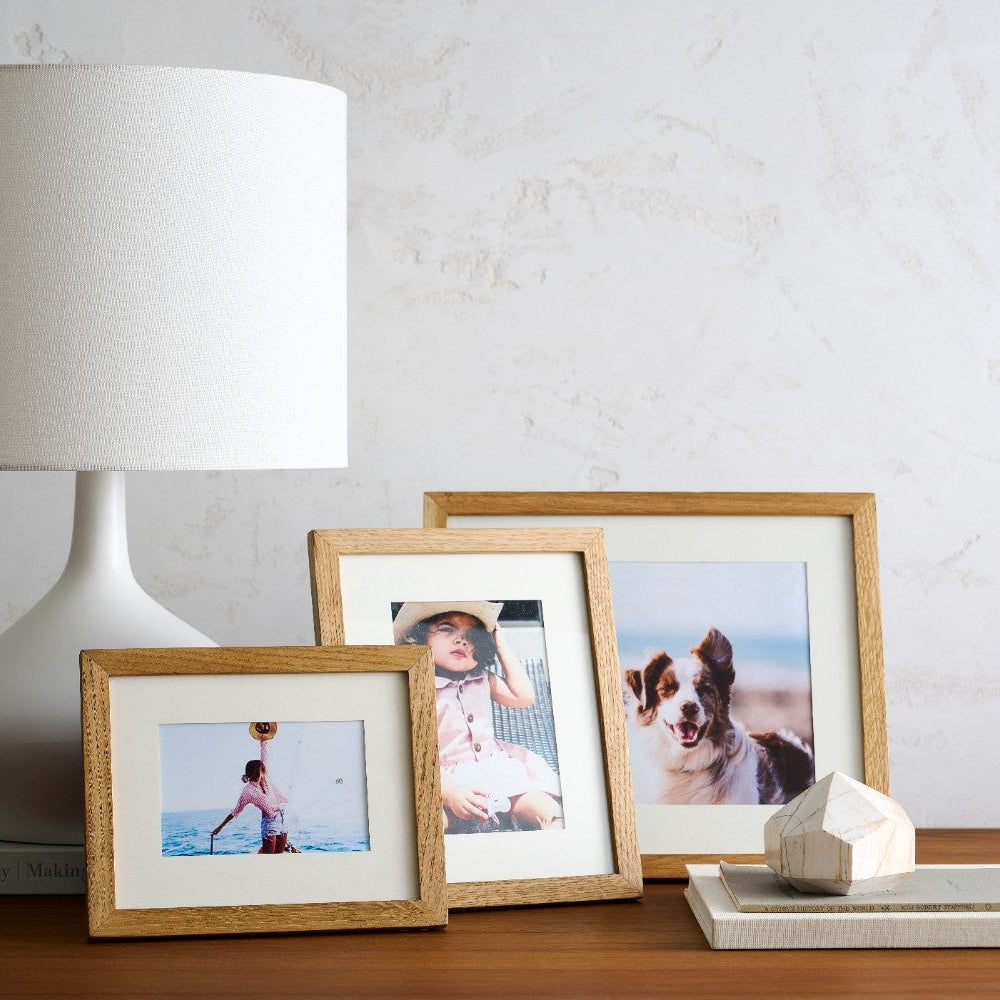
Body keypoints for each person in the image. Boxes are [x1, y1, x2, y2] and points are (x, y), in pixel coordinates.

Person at [393, 600, 563, 833]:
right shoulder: (416, 685)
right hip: (441, 779)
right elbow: (414, 754)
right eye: (446, 628)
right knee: (431, 821)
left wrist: (500, 645)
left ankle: (560, 841)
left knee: (543, 808)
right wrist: (451, 792)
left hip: (494, 770)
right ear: (421, 636)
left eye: (472, 636)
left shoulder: (482, 678)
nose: (462, 639)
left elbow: (523, 696)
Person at [211, 723, 293, 854]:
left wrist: (263, 738)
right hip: (269, 823)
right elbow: (235, 811)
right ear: (257, 772)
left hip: (283, 818)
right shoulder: (248, 792)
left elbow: (264, 753)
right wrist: (220, 827)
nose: (264, 772)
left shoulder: (265, 777)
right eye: (262, 771)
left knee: (280, 855)